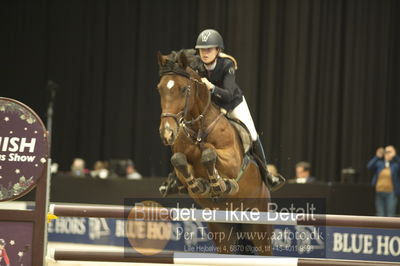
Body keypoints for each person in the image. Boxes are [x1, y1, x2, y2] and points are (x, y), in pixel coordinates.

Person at [159, 29, 285, 195]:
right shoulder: (196, 63)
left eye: (209, 49)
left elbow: (228, 93)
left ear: (218, 50)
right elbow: (179, 65)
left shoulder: (227, 65)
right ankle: (175, 178)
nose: (205, 53)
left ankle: (267, 174)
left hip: (231, 102)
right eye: (202, 49)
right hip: (209, 106)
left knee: (253, 134)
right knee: (185, 131)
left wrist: (211, 87)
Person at [367, 146, 400, 217]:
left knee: (390, 215)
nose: (387, 154)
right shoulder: (380, 163)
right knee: (380, 214)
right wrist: (377, 156)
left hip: (391, 193)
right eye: (386, 152)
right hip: (379, 192)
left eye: (390, 152)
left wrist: (395, 156)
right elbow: (369, 166)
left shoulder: (395, 165)